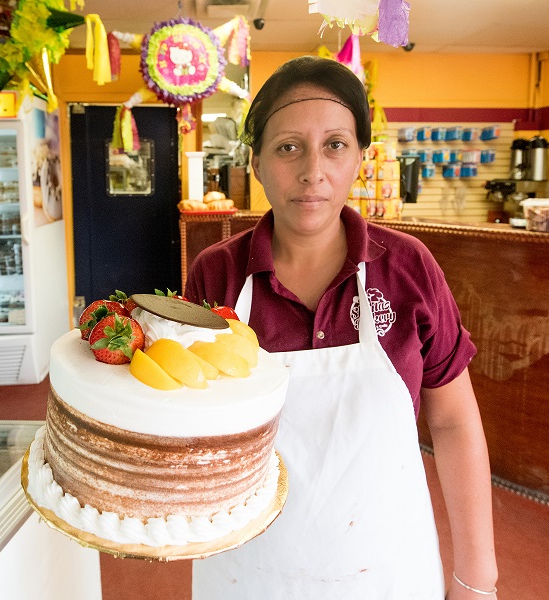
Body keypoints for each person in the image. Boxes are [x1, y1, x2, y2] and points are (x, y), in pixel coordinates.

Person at [185, 56, 498, 599]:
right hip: (247, 572)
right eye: (288, 147)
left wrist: (477, 579)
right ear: (255, 161)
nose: (313, 171)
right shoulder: (217, 273)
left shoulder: (407, 268)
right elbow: (187, 420)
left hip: (385, 569)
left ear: (360, 158)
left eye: (334, 145)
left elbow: (452, 424)